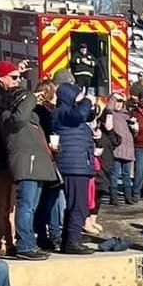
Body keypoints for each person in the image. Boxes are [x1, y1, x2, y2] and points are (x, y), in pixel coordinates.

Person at [0, 61, 57, 260]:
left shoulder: (28, 118)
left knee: (31, 206)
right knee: (25, 205)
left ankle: (29, 243)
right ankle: (25, 245)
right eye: (14, 78)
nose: (18, 80)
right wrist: (30, 97)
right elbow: (18, 120)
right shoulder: (7, 116)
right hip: (26, 164)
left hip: (36, 164)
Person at [51, 82, 95, 254]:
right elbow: (80, 115)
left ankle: (69, 238)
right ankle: (72, 241)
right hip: (73, 165)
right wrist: (87, 101)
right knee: (78, 205)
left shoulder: (65, 112)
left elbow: (85, 116)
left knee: (76, 204)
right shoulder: (64, 112)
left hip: (77, 163)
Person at [102, 93, 136, 205]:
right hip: (116, 149)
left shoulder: (127, 116)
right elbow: (107, 126)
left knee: (127, 175)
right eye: (117, 101)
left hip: (128, 150)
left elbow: (133, 133)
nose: (119, 104)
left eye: (121, 102)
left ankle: (128, 197)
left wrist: (135, 127)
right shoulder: (109, 114)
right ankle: (114, 197)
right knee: (114, 174)